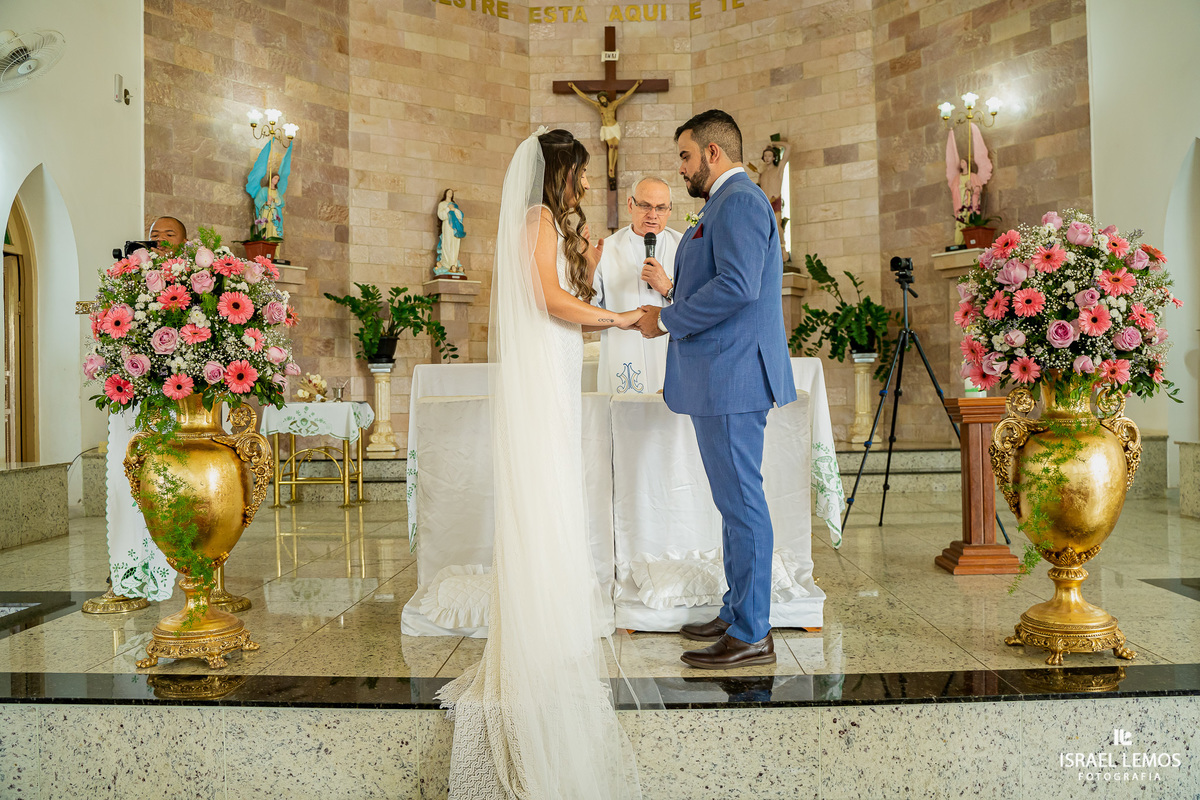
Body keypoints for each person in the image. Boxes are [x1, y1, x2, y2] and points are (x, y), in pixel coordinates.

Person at [435, 127, 644, 799]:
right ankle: (538, 631)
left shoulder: (552, 221)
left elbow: (561, 299)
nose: (585, 182)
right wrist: (616, 322)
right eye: (579, 172)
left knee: (558, 493)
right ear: (559, 170)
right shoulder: (536, 217)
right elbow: (547, 300)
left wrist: (602, 296)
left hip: (555, 368)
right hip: (542, 374)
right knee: (544, 492)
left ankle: (552, 624)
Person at [635, 109, 797, 669]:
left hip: (733, 375)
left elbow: (737, 285)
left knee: (743, 503)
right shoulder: (723, 205)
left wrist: (668, 318)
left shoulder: (741, 201)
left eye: (684, 156)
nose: (680, 168)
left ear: (712, 152)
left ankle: (753, 632)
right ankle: (736, 610)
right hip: (721, 373)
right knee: (732, 504)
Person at [590, 176, 681, 394]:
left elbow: (702, 306)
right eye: (645, 206)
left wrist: (669, 288)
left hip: (674, 356)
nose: (653, 215)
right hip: (622, 358)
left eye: (660, 207)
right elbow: (587, 311)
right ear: (631, 204)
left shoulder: (684, 247)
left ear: (670, 210)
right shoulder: (605, 250)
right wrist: (585, 271)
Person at [568, 80, 643, 189]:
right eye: (601, 99)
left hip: (614, 127)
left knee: (615, 147)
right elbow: (585, 97)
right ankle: (610, 169)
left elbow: (626, 95)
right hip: (607, 129)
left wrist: (636, 85)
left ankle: (612, 167)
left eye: (603, 98)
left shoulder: (613, 105)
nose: (602, 100)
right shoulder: (599, 106)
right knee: (611, 147)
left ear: (606, 98)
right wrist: (574, 87)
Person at [245, 138, 293, 239]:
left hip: (275, 215)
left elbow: (282, 202)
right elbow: (257, 201)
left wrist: (275, 200)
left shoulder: (277, 192)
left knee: (274, 234)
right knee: (266, 234)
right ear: (271, 178)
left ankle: (275, 254)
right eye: (275, 178)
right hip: (266, 215)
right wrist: (266, 203)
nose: (276, 181)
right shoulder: (264, 190)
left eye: (278, 180)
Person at [436, 188, 466, 276]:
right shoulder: (442, 204)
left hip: (455, 228)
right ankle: (446, 264)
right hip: (447, 227)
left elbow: (460, 216)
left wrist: (454, 209)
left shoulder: (454, 205)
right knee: (447, 244)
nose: (450, 193)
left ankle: (453, 264)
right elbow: (441, 216)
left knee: (455, 245)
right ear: (445, 193)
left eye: (451, 192)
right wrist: (448, 209)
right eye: (448, 192)